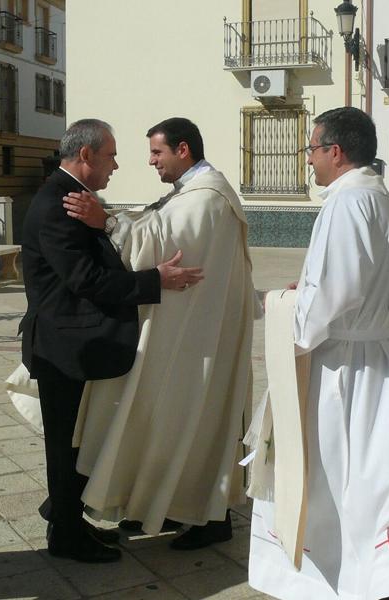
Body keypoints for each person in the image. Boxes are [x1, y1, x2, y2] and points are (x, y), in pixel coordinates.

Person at [247, 107, 389, 600]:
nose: (309, 160)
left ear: (336, 151)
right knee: (381, 480)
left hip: (343, 369)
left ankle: (333, 584)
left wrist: (287, 310)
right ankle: (379, 581)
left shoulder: (347, 204)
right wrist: (307, 288)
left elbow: (334, 292)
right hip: (384, 358)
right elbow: (353, 282)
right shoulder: (383, 201)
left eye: (311, 149)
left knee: (334, 482)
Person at [63, 117, 256, 549]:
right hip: (185, 333)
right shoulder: (191, 192)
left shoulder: (207, 197)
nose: (150, 161)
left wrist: (107, 223)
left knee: (194, 422)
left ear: (183, 149)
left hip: (199, 341)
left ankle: (210, 519)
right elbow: (158, 223)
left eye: (157, 152)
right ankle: (166, 507)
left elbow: (162, 242)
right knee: (168, 422)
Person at [20, 118, 203, 564]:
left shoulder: (73, 197)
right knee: (65, 447)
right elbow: (87, 280)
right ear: (85, 156)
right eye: (110, 156)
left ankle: (70, 520)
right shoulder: (57, 202)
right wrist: (155, 281)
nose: (116, 165)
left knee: (78, 442)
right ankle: (64, 535)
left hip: (75, 345)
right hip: (66, 349)